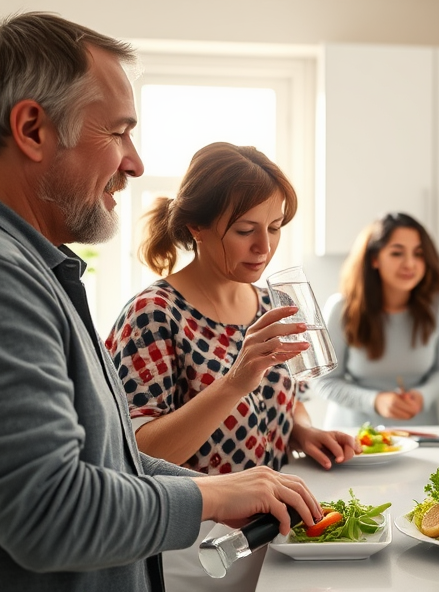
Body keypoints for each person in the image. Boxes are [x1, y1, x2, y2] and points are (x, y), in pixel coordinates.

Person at [0, 13, 324, 592]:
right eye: (118, 132)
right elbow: (48, 511)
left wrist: (241, 483)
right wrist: (211, 492)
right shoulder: (2, 275)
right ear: (33, 129)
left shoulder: (39, 270)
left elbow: (111, 461)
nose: (136, 163)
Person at [105, 142, 359, 590]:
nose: (265, 246)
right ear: (195, 226)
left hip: (277, 531)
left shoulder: (274, 301)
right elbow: (138, 457)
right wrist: (235, 382)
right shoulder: (154, 313)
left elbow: (290, 393)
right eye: (245, 230)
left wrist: (301, 429)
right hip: (197, 549)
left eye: (276, 227)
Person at [313, 212, 439, 428]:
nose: (410, 263)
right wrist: (375, 401)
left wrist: (422, 396)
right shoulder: (341, 309)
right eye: (397, 253)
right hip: (353, 434)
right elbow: (324, 381)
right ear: (374, 259)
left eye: (419, 254)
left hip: (420, 430)